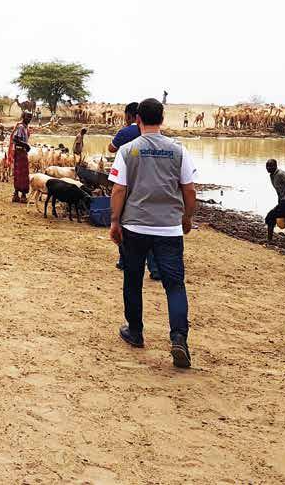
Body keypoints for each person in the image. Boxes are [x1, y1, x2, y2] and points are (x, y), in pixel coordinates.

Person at [108, 98, 197, 368]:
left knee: (133, 279)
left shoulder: (127, 150)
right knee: (174, 285)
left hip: (135, 226)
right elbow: (189, 189)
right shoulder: (178, 150)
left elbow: (119, 189)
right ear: (162, 119)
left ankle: (135, 332)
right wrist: (187, 217)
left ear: (138, 120)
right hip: (169, 228)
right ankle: (179, 337)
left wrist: (115, 221)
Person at [108, 103, 157, 279]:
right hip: (150, 183)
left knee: (124, 223)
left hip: (128, 183)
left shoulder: (125, 132)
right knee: (150, 225)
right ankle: (155, 268)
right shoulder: (154, 135)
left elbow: (111, 148)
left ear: (131, 117)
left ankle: (125, 261)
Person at [9, 111, 32, 203]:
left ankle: (16, 195)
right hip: (20, 151)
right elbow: (15, 139)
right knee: (23, 173)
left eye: (30, 117)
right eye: (27, 117)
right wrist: (26, 145)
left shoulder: (25, 127)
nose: (29, 119)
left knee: (18, 173)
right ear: (23, 116)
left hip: (21, 151)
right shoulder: (21, 127)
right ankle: (22, 195)